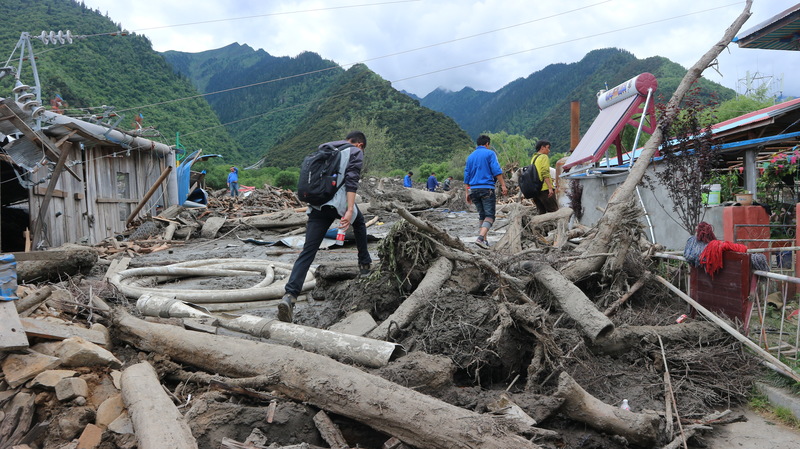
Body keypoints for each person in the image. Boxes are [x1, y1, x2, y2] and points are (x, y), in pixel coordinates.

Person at [279, 131, 372, 323]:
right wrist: (349, 210)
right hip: (338, 203)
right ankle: (364, 266)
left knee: (308, 251)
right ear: (360, 144)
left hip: (317, 205)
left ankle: (289, 296)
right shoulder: (355, 152)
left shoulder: (326, 148)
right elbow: (352, 182)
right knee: (360, 223)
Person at [464, 135, 508, 247]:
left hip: (473, 189)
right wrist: (503, 185)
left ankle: (484, 240)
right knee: (490, 216)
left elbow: (466, 176)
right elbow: (496, 170)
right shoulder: (490, 153)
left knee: (482, 215)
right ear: (487, 144)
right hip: (486, 188)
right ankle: (480, 238)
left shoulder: (470, 157)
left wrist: (467, 193)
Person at [530, 140, 558, 215]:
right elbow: (544, 172)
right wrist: (550, 187)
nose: (549, 150)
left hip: (536, 189)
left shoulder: (534, 157)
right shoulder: (544, 157)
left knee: (541, 212)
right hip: (544, 188)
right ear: (542, 147)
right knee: (553, 212)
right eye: (548, 148)